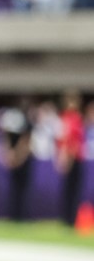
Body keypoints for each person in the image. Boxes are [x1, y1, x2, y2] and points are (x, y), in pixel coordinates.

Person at [56, 90, 85, 227]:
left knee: (73, 190)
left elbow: (77, 141)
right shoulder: (67, 118)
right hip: (71, 158)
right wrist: (64, 158)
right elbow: (66, 141)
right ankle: (67, 219)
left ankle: (71, 219)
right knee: (69, 190)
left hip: (76, 158)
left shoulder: (76, 118)